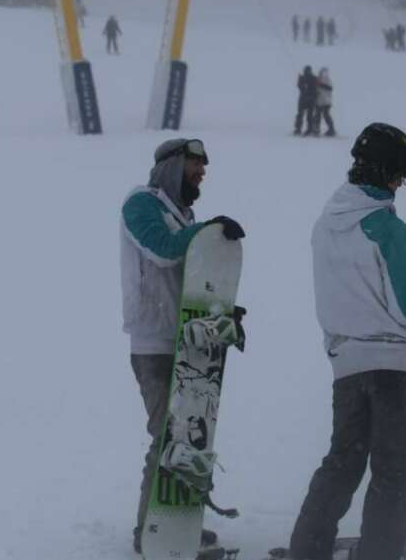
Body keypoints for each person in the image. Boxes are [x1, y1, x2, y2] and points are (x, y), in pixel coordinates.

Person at [288, 123, 406, 560]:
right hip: (395, 368)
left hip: (347, 363)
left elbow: (359, 285)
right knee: (391, 476)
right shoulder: (390, 228)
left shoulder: (327, 224)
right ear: (386, 171)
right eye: (401, 176)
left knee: (342, 464)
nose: (400, 185)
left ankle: (307, 551)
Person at [120, 138, 245, 555]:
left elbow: (192, 279)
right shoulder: (141, 204)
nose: (202, 173)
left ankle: (178, 524)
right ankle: (150, 531)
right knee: (166, 437)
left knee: (189, 438)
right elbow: (163, 250)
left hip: (186, 340)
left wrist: (221, 312)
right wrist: (207, 232)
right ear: (172, 165)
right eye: (195, 164)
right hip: (153, 342)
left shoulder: (183, 215)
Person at [294, 66, 318, 136]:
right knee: (308, 115)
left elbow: (300, 87)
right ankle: (309, 129)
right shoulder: (314, 78)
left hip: (304, 99)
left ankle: (299, 129)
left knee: (301, 115)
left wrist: (300, 80)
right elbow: (316, 88)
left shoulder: (303, 78)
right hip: (310, 99)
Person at [315, 67, 336, 137]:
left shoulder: (327, 80)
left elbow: (330, 88)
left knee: (326, 115)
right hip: (319, 101)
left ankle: (331, 130)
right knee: (317, 116)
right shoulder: (318, 79)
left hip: (326, 101)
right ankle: (317, 129)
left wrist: (320, 84)